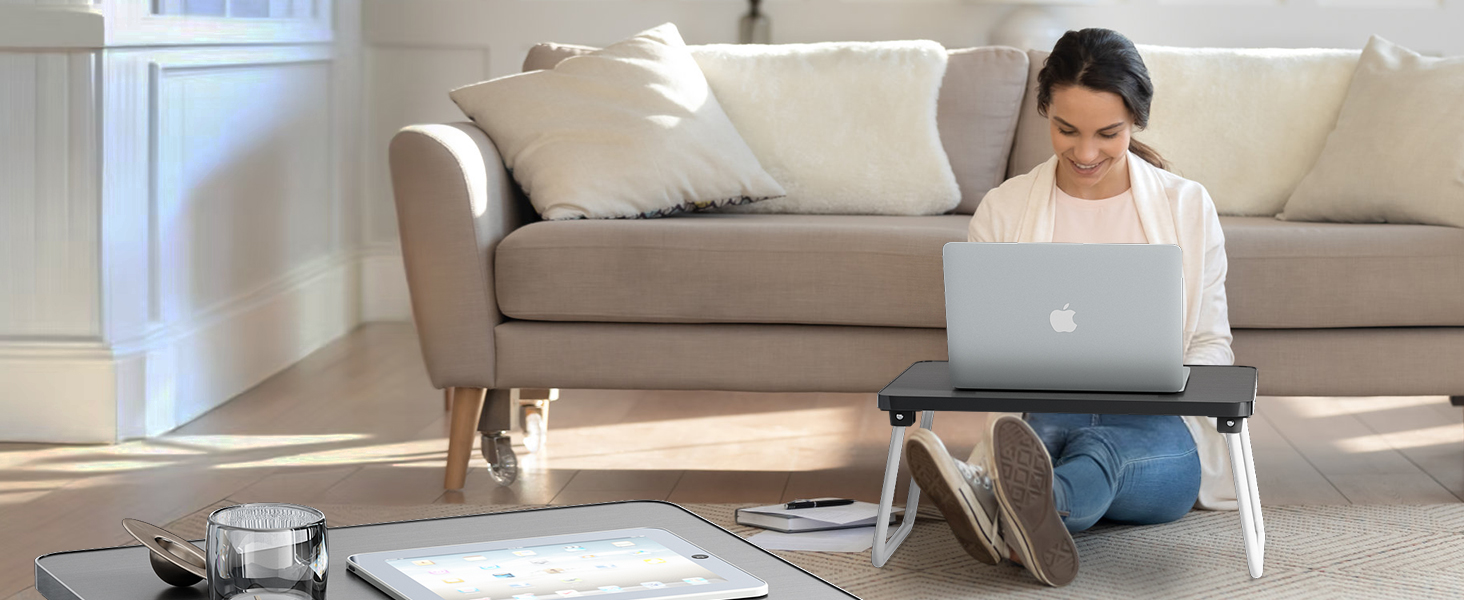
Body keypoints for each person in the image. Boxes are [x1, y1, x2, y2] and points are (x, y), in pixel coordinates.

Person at [905, 28, 1236, 587]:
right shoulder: (1004, 209)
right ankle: (1031, 511)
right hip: (1046, 416)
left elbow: (1210, 342)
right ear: (1044, 113)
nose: (1086, 153)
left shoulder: (1187, 206)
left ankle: (1006, 506)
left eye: (1109, 134)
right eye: (1067, 130)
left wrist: (1171, 383)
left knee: (1105, 448)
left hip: (1156, 429)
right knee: (1053, 439)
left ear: (1137, 120)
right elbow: (986, 343)